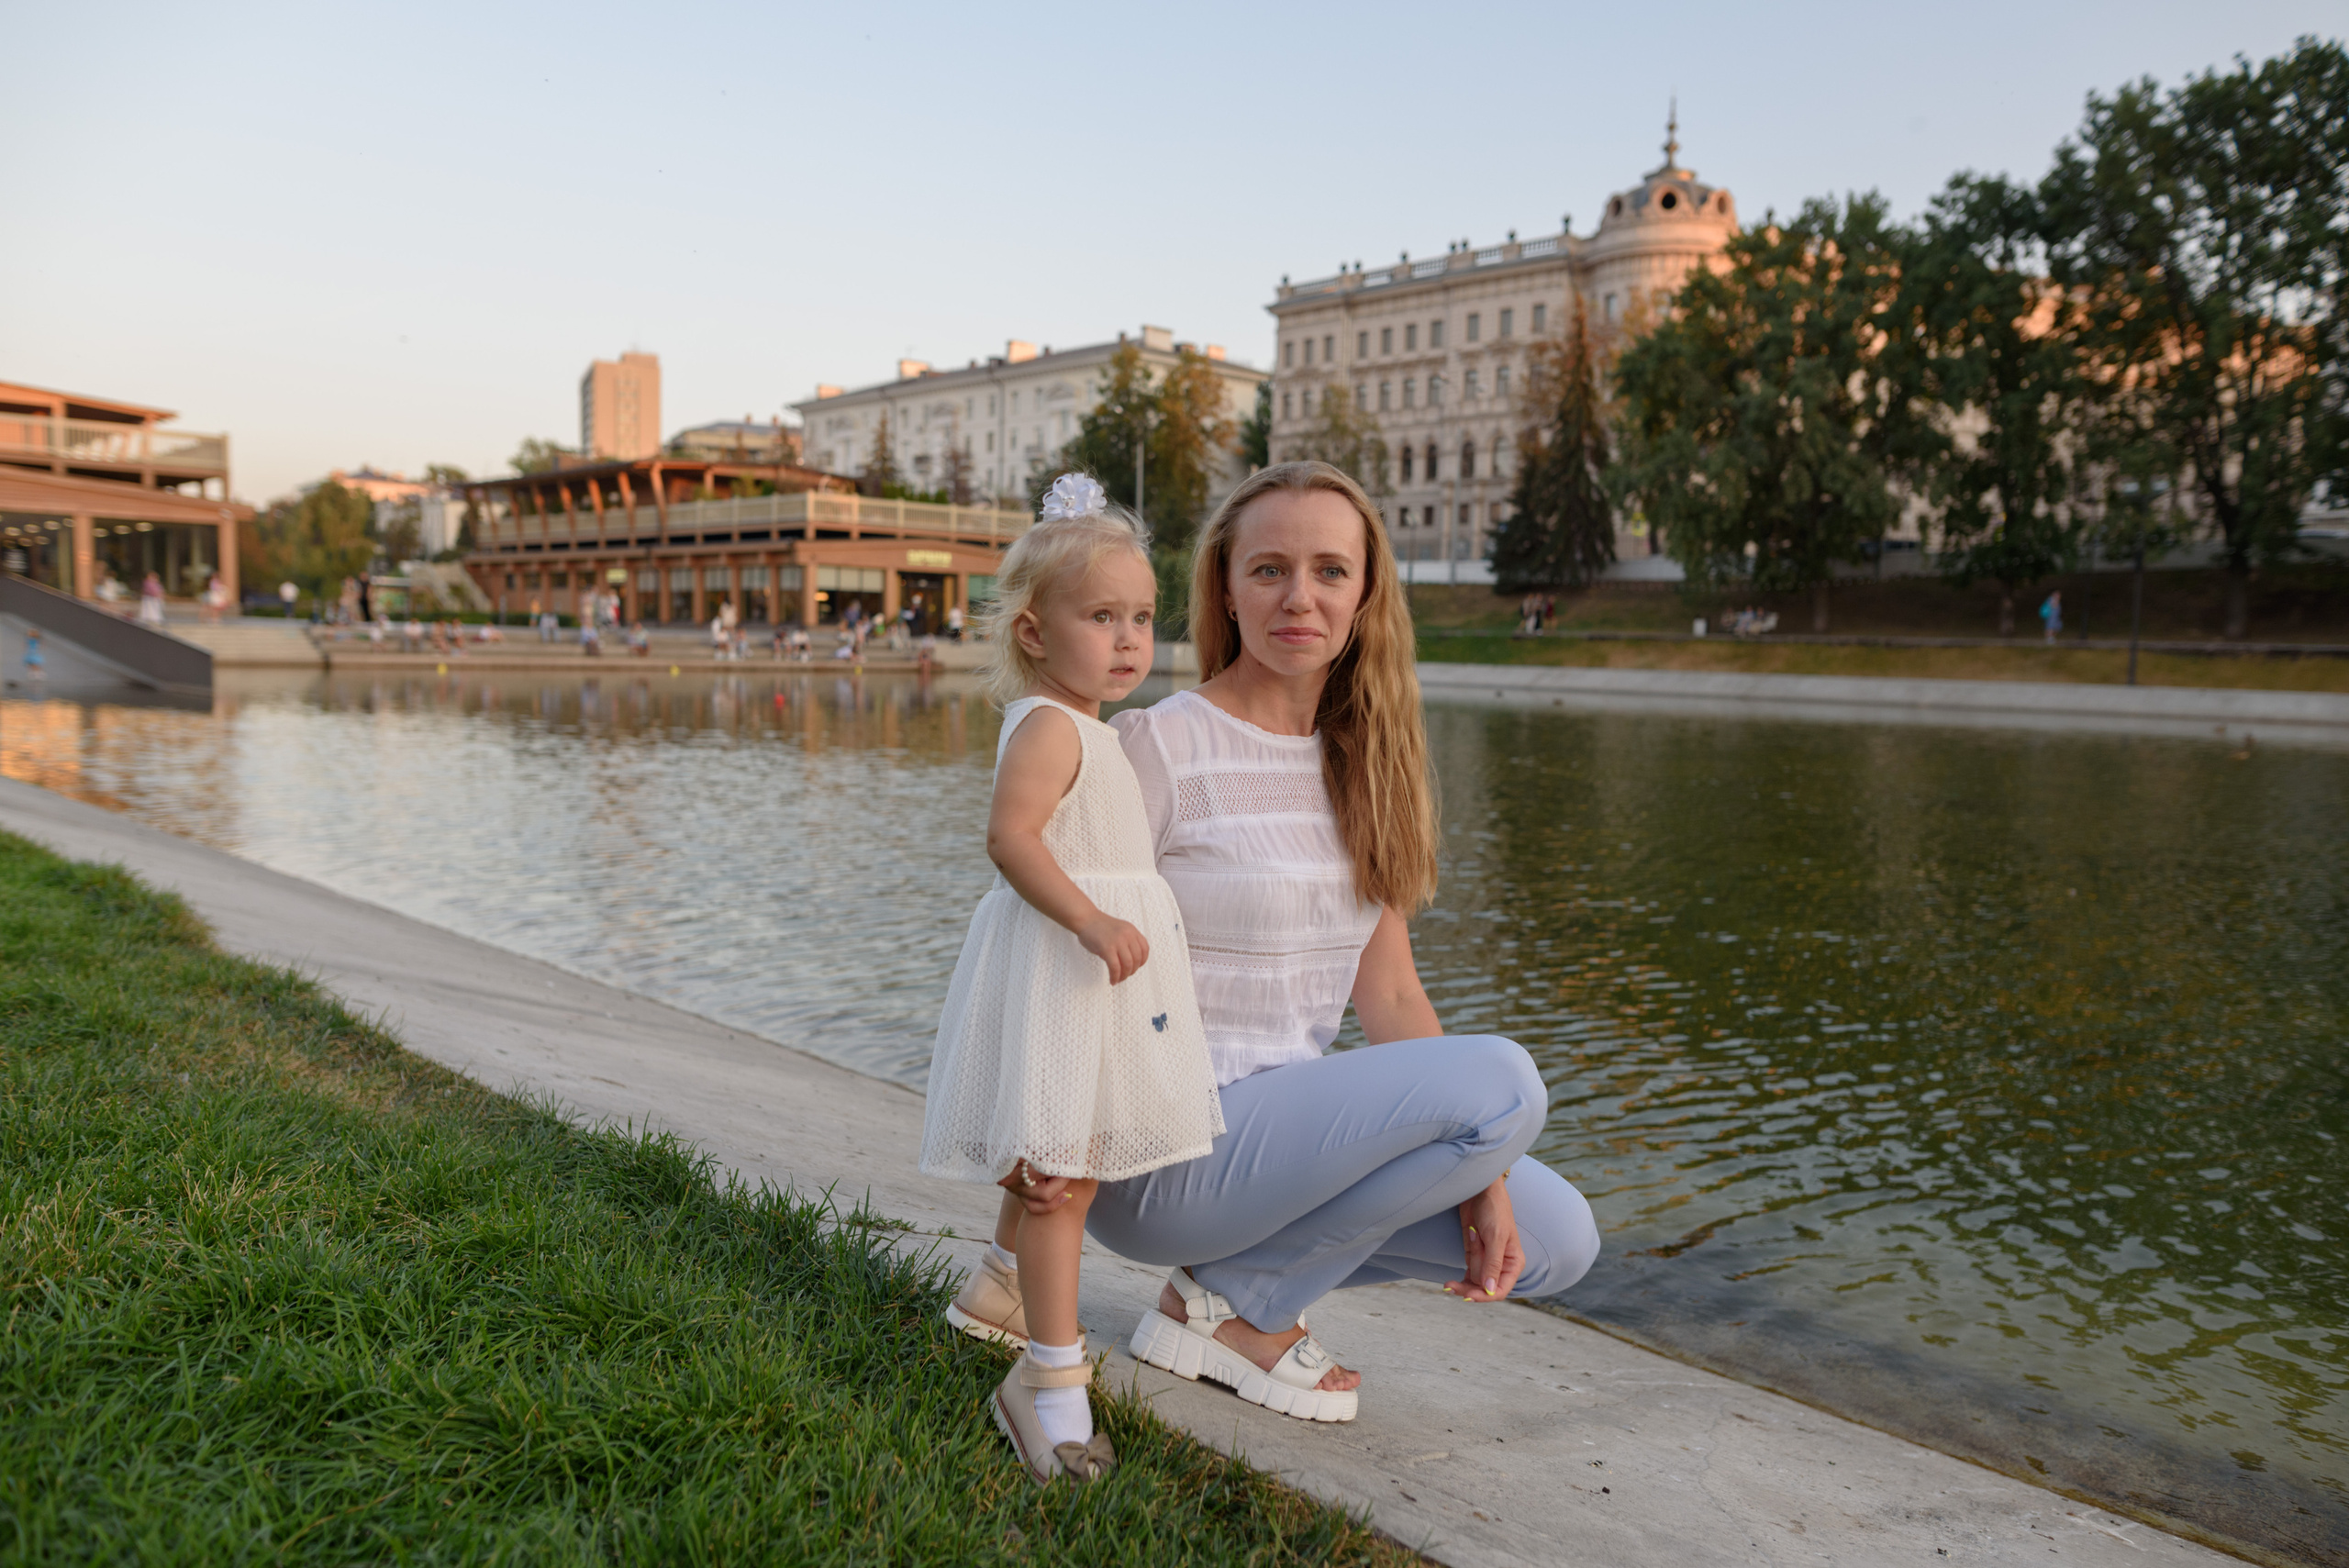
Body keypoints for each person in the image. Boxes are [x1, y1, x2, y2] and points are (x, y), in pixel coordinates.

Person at [956, 461, 1600, 1425]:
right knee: (1505, 1077)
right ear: (1224, 585)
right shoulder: (1157, 745)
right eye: (1268, 569)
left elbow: (1388, 998)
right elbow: (1046, 935)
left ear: (1365, 592)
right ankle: (1247, 1314)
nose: (1300, 596)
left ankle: (1220, 1298)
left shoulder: (1368, 769)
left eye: (1330, 570)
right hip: (1161, 1147)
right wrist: (1037, 1121)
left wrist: (1484, 1167)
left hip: (1279, 1145)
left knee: (1556, 1234)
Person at [921, 473, 1221, 1486]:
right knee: (1062, 1179)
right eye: (1101, 616)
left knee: (1060, 1164)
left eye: (1141, 616)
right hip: (1065, 967)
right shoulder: (1051, 726)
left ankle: (999, 1294)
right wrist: (1093, 916)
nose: (1130, 637)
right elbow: (1010, 839)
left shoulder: (1090, 726)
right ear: (1035, 633)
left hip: (1084, 981)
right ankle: (1047, 1379)